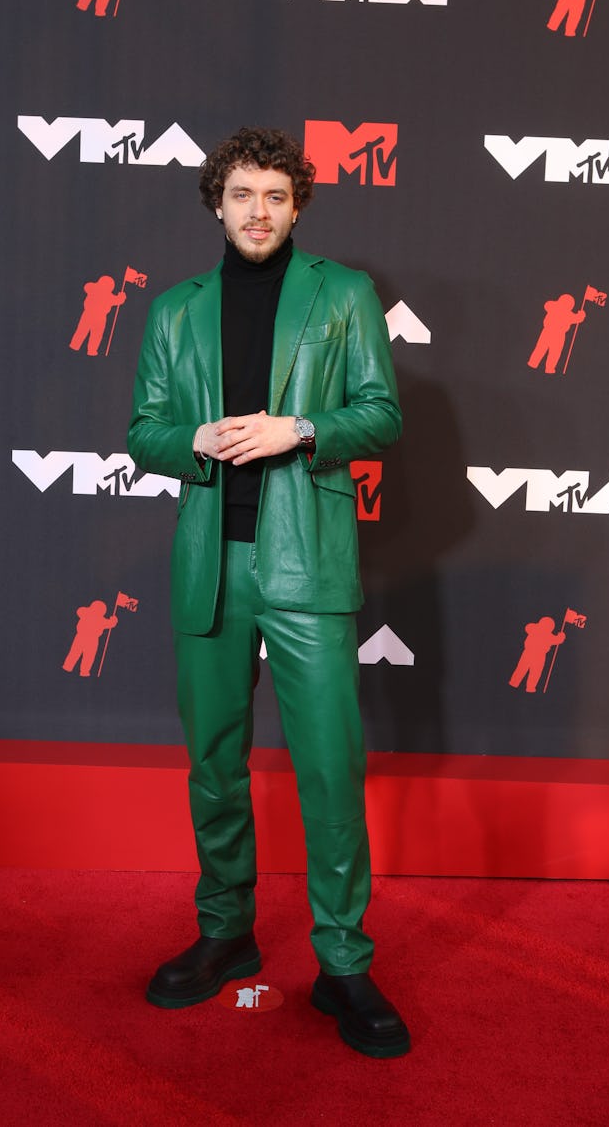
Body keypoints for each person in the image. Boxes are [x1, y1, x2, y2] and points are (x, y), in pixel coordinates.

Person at [127, 126, 408, 1058]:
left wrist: (301, 429)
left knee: (329, 764)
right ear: (218, 203)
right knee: (214, 761)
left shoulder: (344, 292)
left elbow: (382, 414)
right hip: (209, 561)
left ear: (297, 206)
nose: (258, 212)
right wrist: (192, 442)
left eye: (276, 197)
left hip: (307, 559)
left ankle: (343, 962)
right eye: (243, 194)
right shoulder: (175, 310)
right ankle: (225, 933)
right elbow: (143, 432)